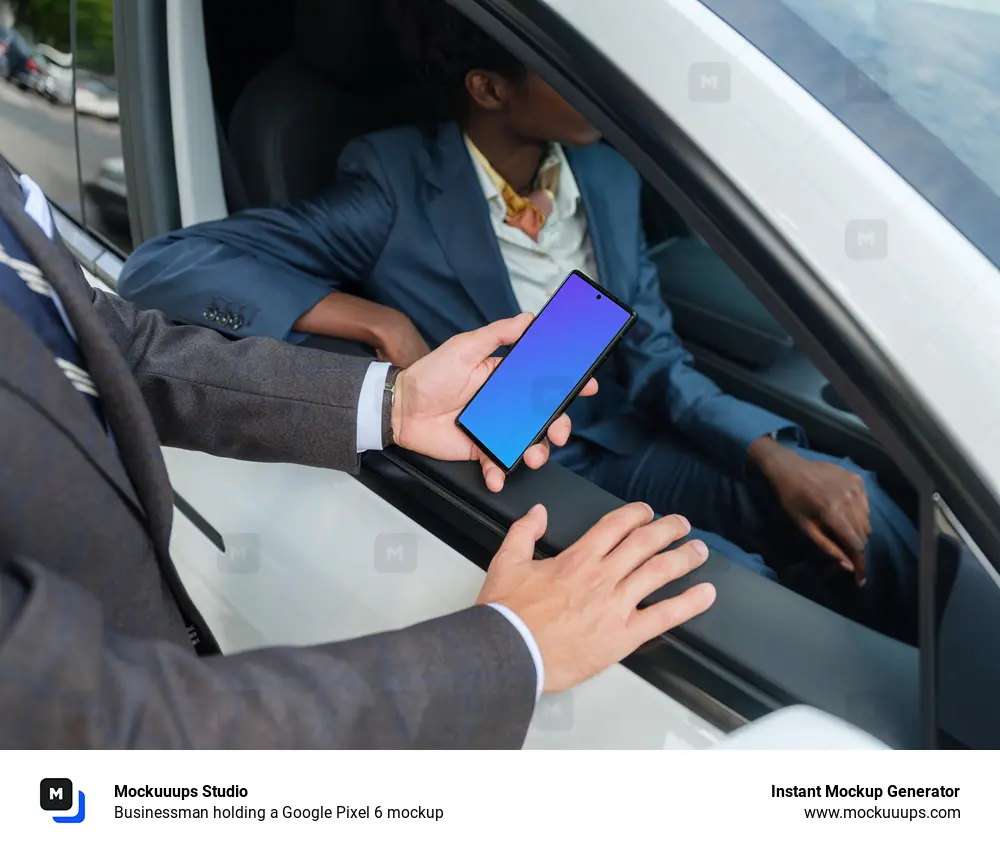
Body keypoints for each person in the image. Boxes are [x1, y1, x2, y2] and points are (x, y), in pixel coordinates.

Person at [116, 0, 917, 643]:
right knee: (746, 602)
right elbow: (166, 270)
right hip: (526, 473)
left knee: (873, 516)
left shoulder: (605, 169)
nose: (605, 85)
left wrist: (766, 451)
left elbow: (655, 351)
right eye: (570, 69)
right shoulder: (392, 181)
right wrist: (379, 322)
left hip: (630, 433)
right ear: (490, 89)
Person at [0, 166, 717, 748]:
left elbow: (120, 347)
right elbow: (102, 737)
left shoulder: (606, 174)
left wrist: (389, 403)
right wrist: (510, 650)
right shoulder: (392, 178)